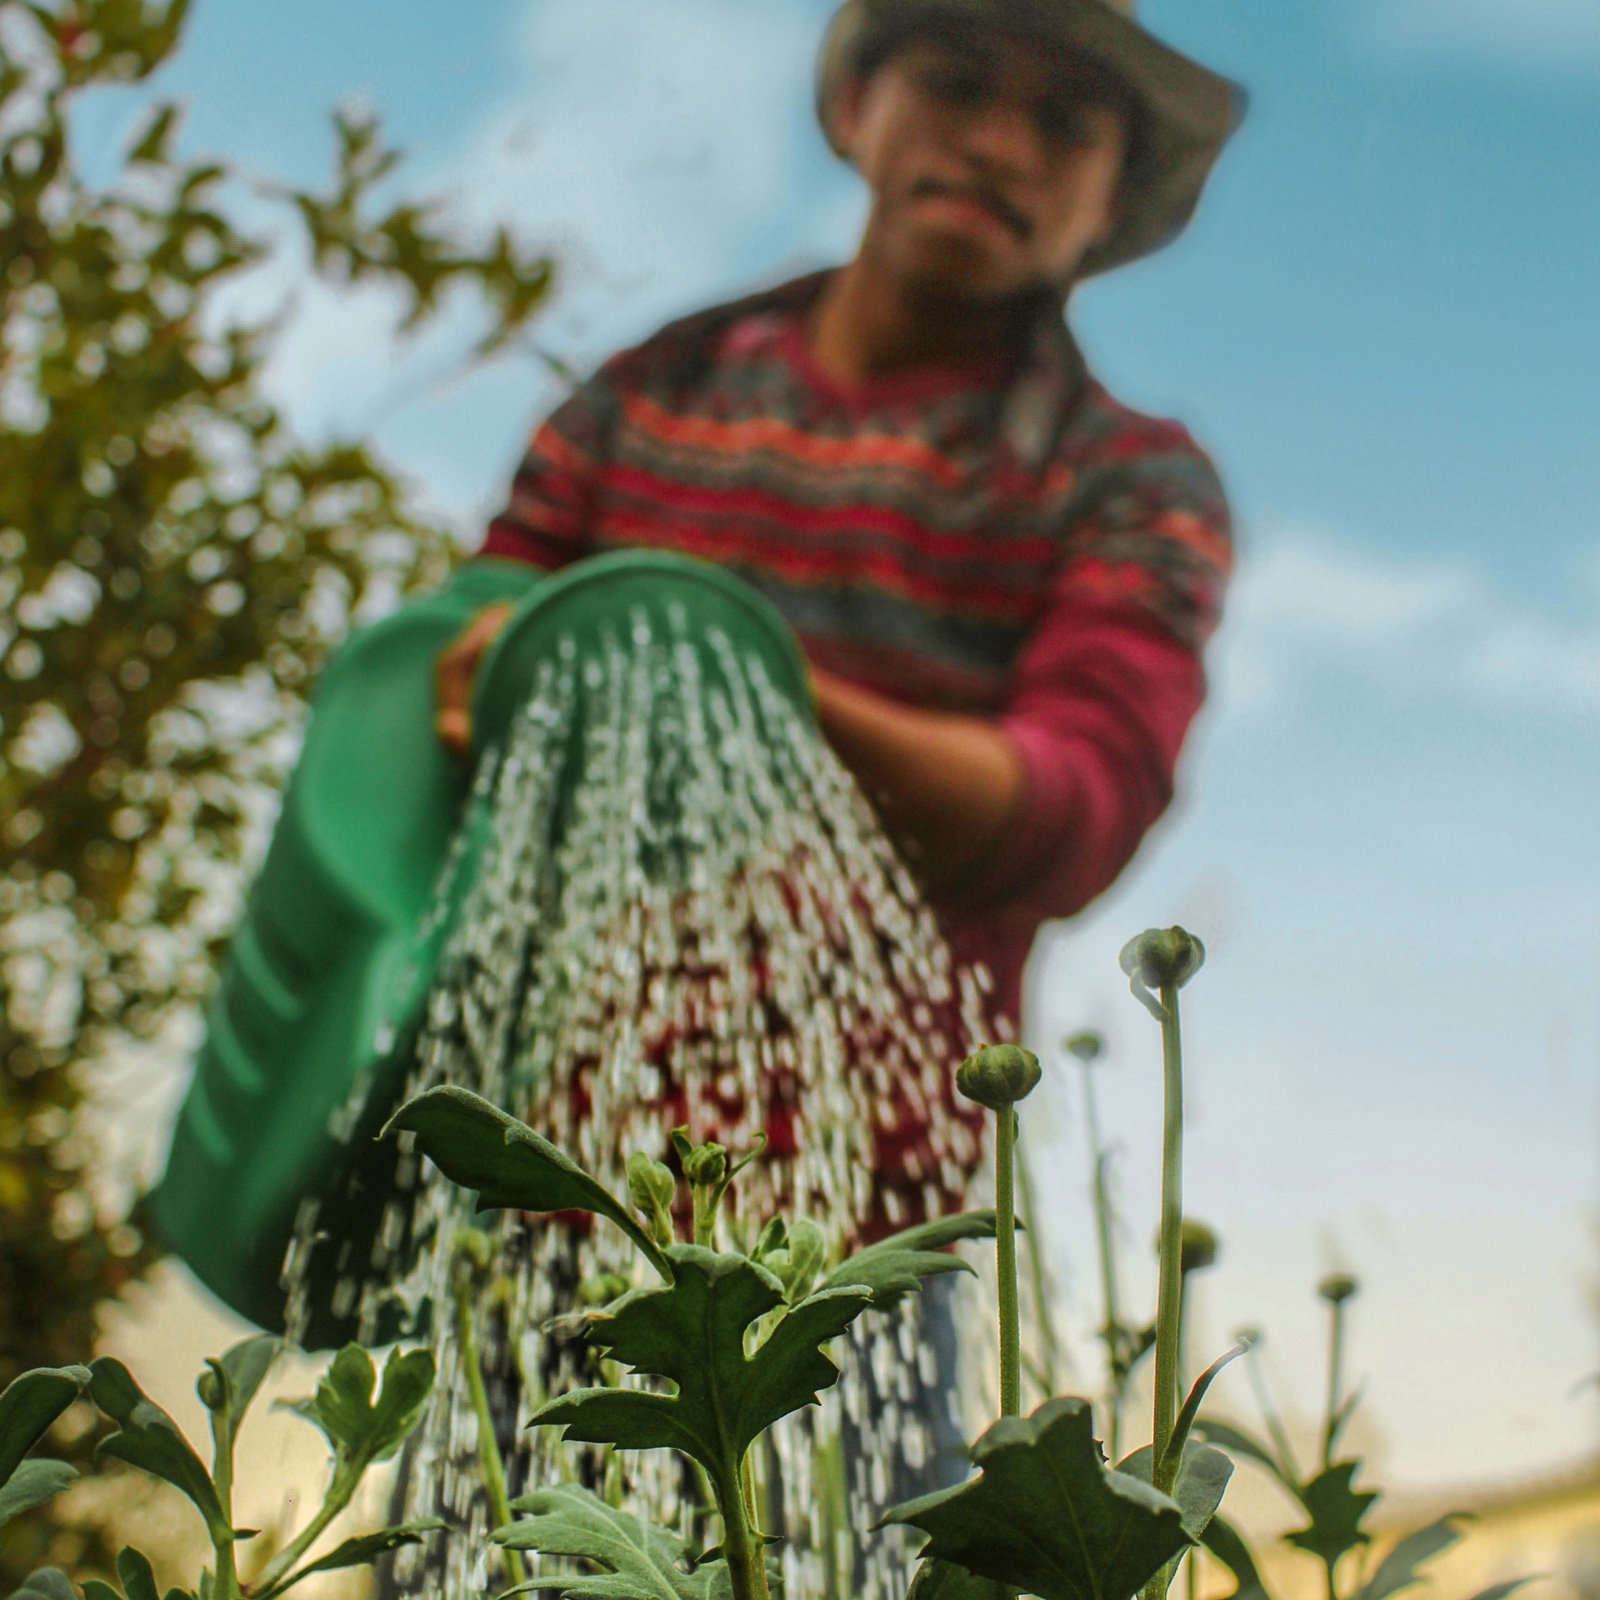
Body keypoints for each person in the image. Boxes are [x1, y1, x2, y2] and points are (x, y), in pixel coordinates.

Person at [397, 0, 1244, 1585]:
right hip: (540, 1178)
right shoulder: (650, 394)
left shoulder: (1119, 477)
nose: (998, 141)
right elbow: (465, 649)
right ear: (859, 100)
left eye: (1065, 124)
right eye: (958, 81)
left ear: (1113, 194)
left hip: (854, 1240)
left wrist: (746, 678)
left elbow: (1077, 802)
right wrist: (472, 673)